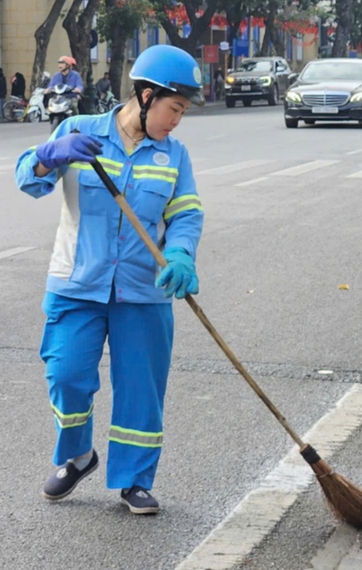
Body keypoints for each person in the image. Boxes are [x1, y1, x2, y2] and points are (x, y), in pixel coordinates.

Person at [15, 44, 205, 516]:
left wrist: (180, 253)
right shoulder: (80, 131)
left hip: (144, 291)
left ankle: (134, 480)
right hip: (76, 284)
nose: (176, 121)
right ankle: (78, 455)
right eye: (173, 109)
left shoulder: (173, 156)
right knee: (66, 375)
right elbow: (27, 179)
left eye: (182, 112)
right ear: (144, 96)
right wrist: (49, 152)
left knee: (141, 388)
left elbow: (185, 214)